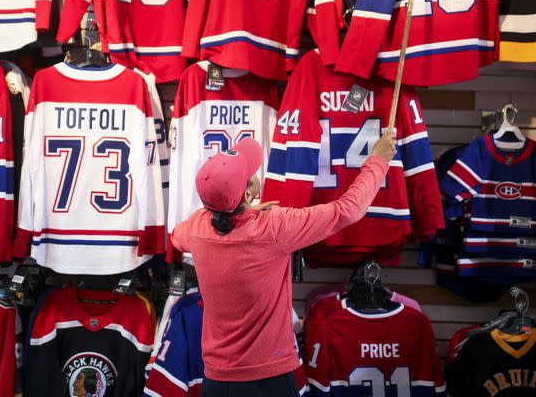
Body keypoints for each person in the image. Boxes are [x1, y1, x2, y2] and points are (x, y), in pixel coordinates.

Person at [170, 130, 397, 396]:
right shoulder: (275, 226)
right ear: (246, 195)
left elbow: (177, 238)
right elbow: (349, 210)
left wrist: (240, 218)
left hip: (215, 381)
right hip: (269, 380)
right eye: (250, 176)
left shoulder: (197, 227)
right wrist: (378, 160)